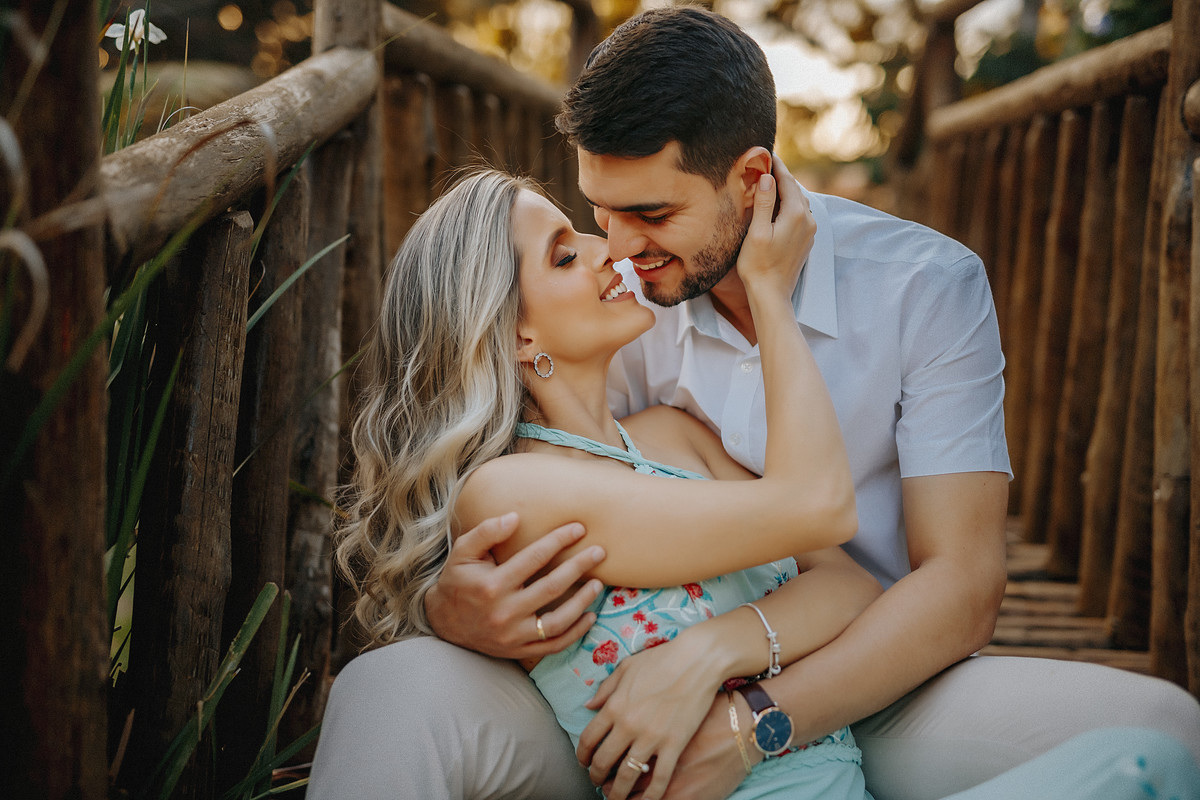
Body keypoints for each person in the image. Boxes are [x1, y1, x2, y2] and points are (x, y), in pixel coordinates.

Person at [309, 6, 1200, 800]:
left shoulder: (928, 287)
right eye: (594, 213)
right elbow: (516, 448)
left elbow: (957, 585)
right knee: (391, 689)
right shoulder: (621, 307)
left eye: (649, 213)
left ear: (750, 179)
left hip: (857, 682)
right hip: (613, 717)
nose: (617, 248)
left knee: (1169, 730)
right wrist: (445, 609)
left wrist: (745, 708)